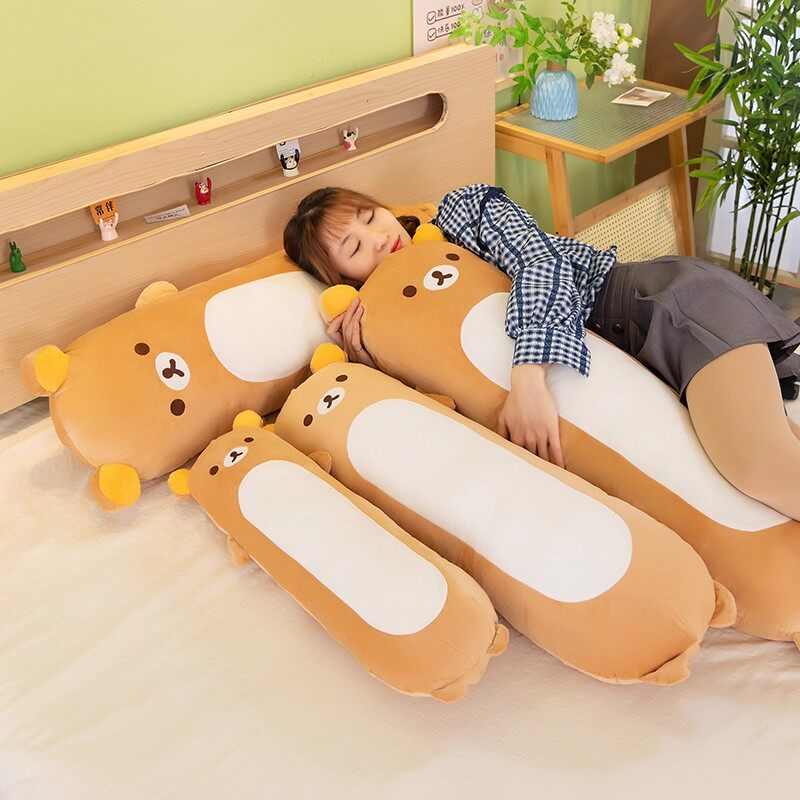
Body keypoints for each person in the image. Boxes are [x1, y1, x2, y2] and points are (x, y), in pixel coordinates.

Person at [283, 183, 800, 519]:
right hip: (641, 349)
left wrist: (527, 378)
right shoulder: (399, 318)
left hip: (660, 305)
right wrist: (374, 361)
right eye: (353, 247)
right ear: (340, 281)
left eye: (370, 216)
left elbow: (541, 262)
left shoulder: (463, 212)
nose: (377, 238)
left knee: (759, 468)